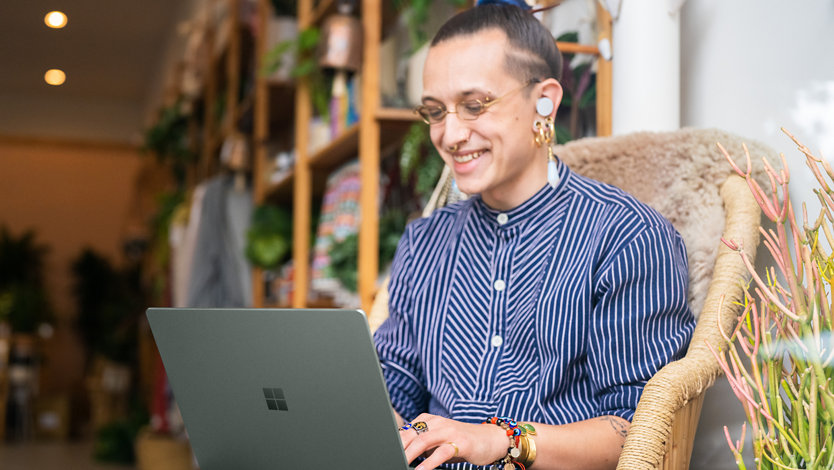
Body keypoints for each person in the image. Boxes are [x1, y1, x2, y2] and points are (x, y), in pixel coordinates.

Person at [373, 2, 697, 469]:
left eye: (474, 105)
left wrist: (501, 440)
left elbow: (640, 430)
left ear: (544, 100)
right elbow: (391, 387)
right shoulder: (424, 243)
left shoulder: (626, 236)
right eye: (435, 112)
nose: (451, 134)